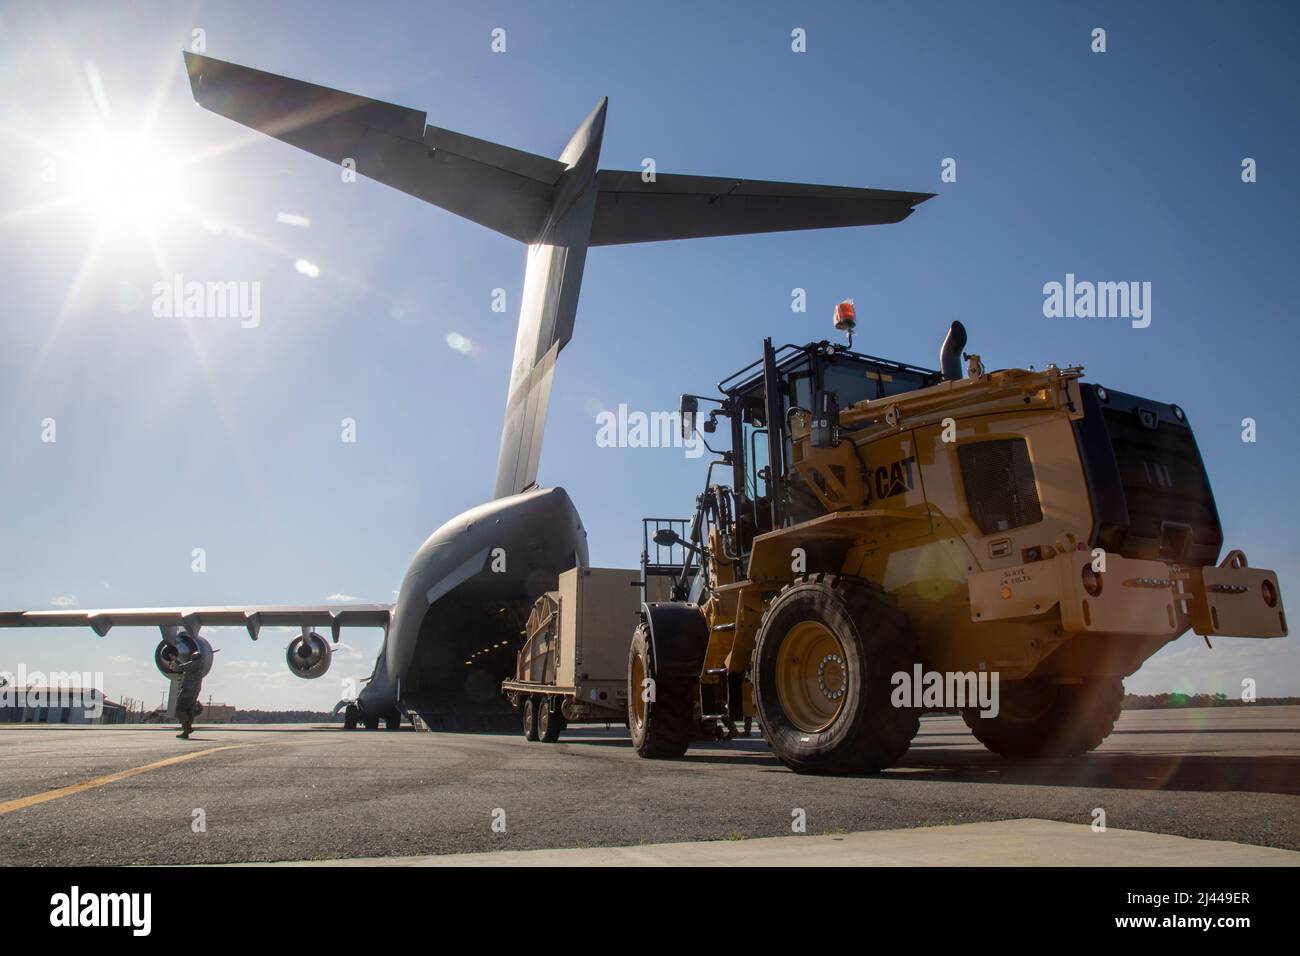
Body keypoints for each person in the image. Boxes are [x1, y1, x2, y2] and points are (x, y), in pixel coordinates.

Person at [175, 648, 205, 739]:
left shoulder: (194, 664)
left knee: (180, 709)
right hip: (195, 690)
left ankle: (186, 729)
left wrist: (174, 659)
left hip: (188, 689)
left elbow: (181, 667)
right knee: (189, 710)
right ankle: (187, 729)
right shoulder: (200, 664)